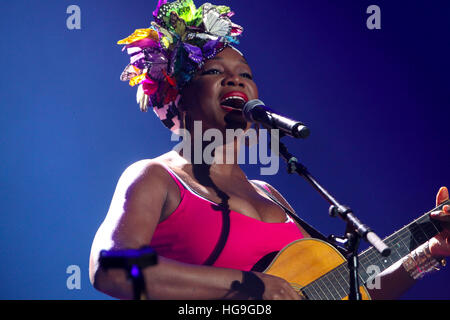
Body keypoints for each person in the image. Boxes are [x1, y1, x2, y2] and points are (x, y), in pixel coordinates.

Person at [89, 0, 450, 300]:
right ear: (178, 97)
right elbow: (111, 267)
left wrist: (426, 252)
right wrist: (251, 285)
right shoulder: (155, 177)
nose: (235, 79)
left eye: (245, 74)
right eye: (213, 71)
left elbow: (347, 292)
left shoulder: (270, 194)